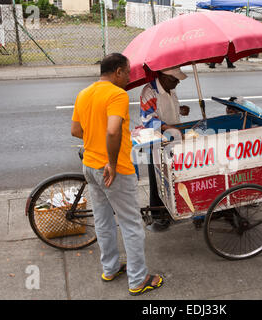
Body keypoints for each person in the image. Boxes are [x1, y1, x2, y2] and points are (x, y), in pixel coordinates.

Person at [71, 53, 163, 296]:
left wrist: (98, 144)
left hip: (90, 166)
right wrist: (111, 160)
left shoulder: (84, 94)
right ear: (118, 72)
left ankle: (110, 268)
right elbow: (113, 132)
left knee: (103, 221)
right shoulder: (117, 95)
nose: (130, 77)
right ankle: (138, 280)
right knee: (132, 224)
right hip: (114, 169)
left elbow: (76, 130)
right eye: (128, 72)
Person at [139, 67, 190, 231]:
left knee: (171, 177)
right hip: (156, 141)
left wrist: (180, 110)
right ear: (163, 76)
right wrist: (170, 129)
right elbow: (148, 121)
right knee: (158, 180)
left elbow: (169, 108)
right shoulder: (149, 92)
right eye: (174, 79)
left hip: (172, 140)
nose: (178, 82)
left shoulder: (170, 88)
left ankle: (172, 209)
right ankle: (158, 217)